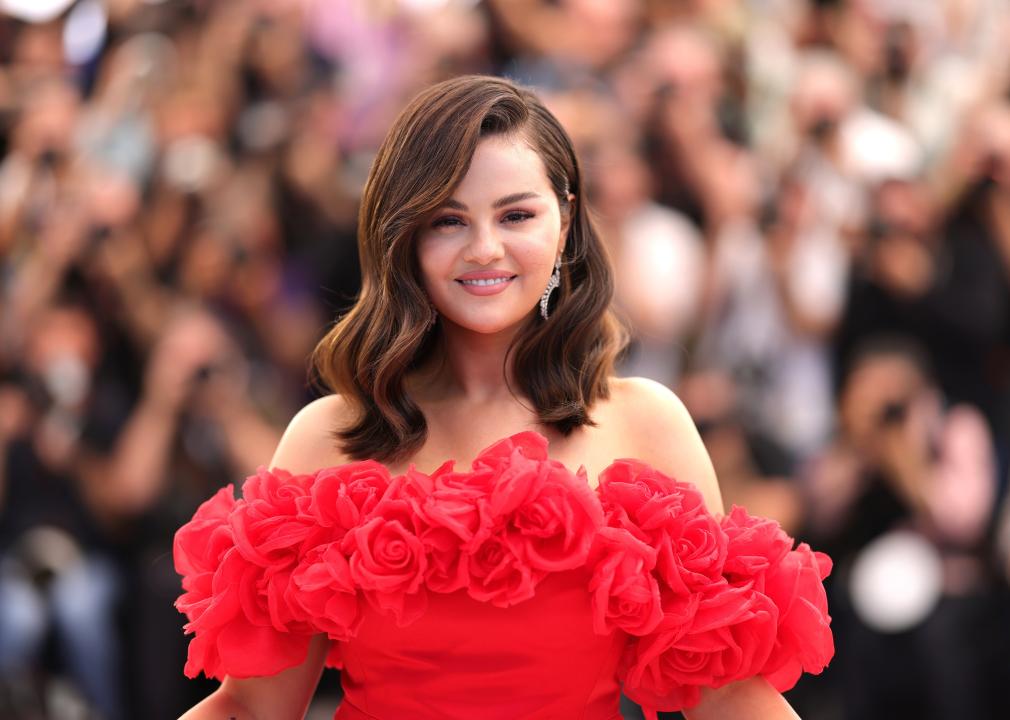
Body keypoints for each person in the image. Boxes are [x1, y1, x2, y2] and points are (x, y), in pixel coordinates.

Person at [173, 75, 833, 720]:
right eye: (448, 221)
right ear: (402, 236)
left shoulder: (646, 424)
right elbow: (252, 706)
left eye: (516, 214)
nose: (485, 249)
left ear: (567, 219)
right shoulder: (329, 437)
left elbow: (727, 694)